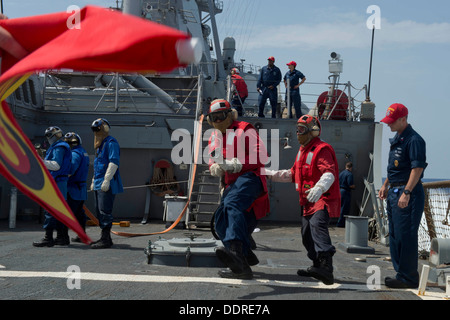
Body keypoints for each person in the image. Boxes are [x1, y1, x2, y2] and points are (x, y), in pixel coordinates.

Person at [265, 115, 340, 285]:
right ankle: (317, 266)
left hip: (322, 199)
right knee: (306, 235)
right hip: (307, 202)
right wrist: (268, 174)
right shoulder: (302, 151)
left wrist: (319, 188)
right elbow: (292, 174)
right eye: (297, 129)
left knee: (317, 227)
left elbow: (329, 173)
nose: (298, 133)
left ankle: (326, 268)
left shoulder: (322, 149)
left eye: (302, 129)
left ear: (313, 131)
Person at [207, 99, 270, 279]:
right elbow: (213, 156)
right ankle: (243, 260)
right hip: (231, 183)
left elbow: (261, 155)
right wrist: (214, 167)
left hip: (250, 177)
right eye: (214, 118)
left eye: (221, 116)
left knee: (232, 204)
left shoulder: (245, 129)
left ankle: (236, 253)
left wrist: (237, 164)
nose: (218, 121)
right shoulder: (214, 136)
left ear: (229, 115)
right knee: (220, 219)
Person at [378, 103, 427, 289]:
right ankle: (401, 274)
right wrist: (385, 185)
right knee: (396, 235)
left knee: (406, 236)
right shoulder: (398, 139)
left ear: (403, 119)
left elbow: (417, 168)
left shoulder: (414, 140)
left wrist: (407, 192)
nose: (388, 125)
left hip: (408, 194)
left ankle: (408, 277)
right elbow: (395, 168)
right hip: (394, 192)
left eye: (392, 121)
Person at [33, 127, 72, 247]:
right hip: (60, 183)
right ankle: (62, 238)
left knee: (50, 211)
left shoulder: (59, 147)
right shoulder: (62, 146)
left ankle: (48, 238)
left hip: (56, 183)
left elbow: (56, 165)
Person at [90, 118, 123, 249]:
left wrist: (107, 179)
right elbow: (98, 165)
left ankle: (106, 239)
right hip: (98, 181)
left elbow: (113, 162)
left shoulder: (111, 143)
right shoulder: (101, 145)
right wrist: (93, 180)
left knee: (105, 211)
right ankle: (104, 237)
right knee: (98, 211)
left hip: (106, 182)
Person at [64, 132, 90, 243]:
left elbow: (71, 170)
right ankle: (81, 235)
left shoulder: (74, 154)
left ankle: (63, 237)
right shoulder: (83, 152)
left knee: (67, 213)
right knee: (79, 213)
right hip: (81, 188)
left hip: (73, 188)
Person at [336, 161, 355, 227]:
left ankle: (339, 222)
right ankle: (341, 223)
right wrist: (354, 186)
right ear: (351, 167)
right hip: (345, 192)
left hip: (340, 191)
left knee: (340, 207)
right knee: (344, 208)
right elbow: (350, 185)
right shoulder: (349, 174)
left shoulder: (341, 173)